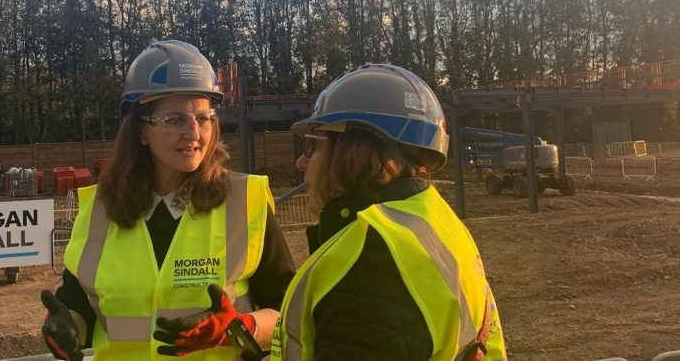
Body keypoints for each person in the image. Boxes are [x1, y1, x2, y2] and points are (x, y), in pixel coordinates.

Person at [40, 40, 296, 361]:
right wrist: (65, 328)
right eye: (175, 120)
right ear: (140, 131)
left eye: (203, 118)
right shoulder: (99, 208)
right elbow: (79, 308)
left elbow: (289, 312)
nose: (193, 134)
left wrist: (240, 325)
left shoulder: (246, 201)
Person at [269, 64, 507, 361]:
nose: (301, 164)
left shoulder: (370, 264)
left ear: (351, 152)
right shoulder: (430, 220)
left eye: (312, 146)